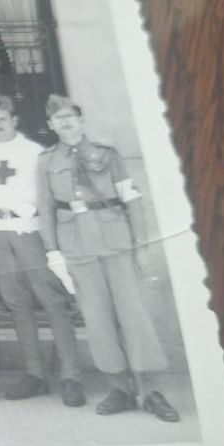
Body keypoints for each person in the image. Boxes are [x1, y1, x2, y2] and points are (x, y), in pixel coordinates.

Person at [36, 95, 178, 422]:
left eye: (71, 116)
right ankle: (120, 389)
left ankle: (151, 390)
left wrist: (140, 243)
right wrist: (53, 251)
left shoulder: (106, 153)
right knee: (97, 320)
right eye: (58, 118)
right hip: (77, 248)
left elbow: (132, 198)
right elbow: (45, 210)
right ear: (50, 125)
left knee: (134, 315)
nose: (66, 122)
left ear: (81, 120)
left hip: (116, 242)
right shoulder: (46, 161)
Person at [0, 94, 83, 406]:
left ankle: (71, 376)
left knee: (52, 302)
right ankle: (34, 375)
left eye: (2, 119)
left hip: (31, 231)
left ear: (15, 120)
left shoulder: (35, 152)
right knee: (17, 304)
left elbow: (48, 198)